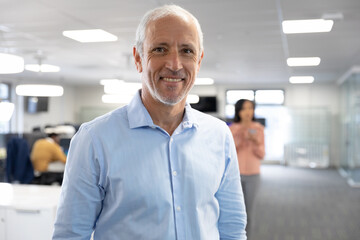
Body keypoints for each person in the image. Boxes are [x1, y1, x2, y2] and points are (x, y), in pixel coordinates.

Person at [53, 4, 247, 240]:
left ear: (199, 60)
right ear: (138, 58)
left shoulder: (219, 135)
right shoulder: (94, 139)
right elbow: (71, 235)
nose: (174, 64)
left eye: (187, 51)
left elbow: (232, 228)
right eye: (160, 49)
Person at [229, 99, 265, 239]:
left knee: (249, 211)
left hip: (253, 175)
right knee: (235, 211)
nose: (248, 112)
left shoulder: (258, 128)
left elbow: (262, 154)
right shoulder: (232, 129)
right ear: (238, 111)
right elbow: (228, 154)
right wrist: (239, 141)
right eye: (244, 109)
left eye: (250, 108)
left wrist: (255, 142)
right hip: (234, 175)